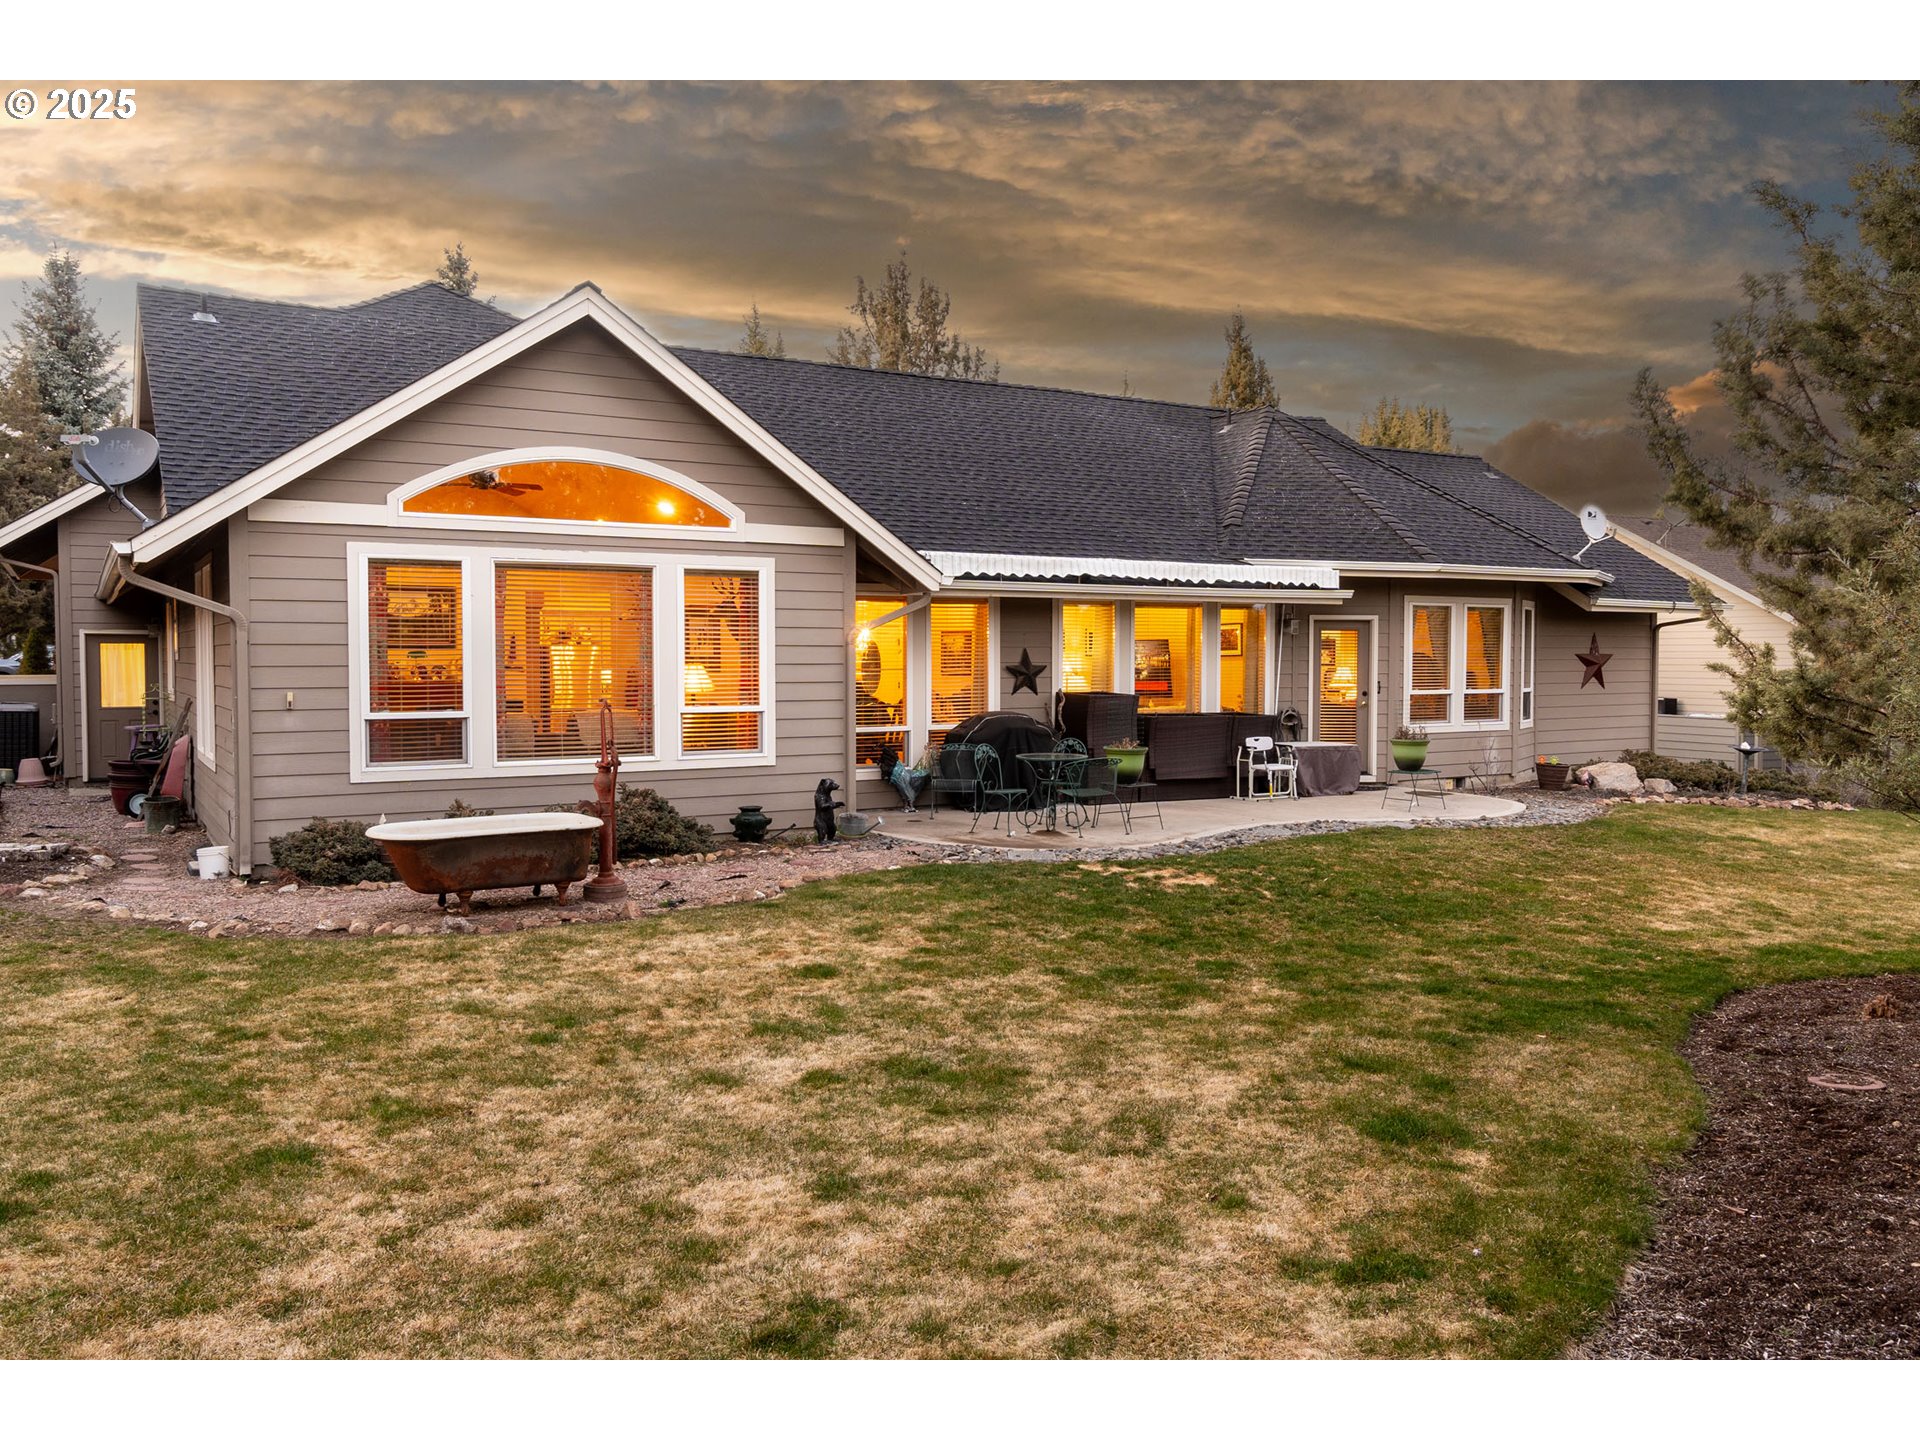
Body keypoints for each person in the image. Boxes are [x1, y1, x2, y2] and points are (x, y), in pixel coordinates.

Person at [875, 743, 927, 811]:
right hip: (900, 775)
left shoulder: (891, 762)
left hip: (899, 775)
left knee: (905, 790)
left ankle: (908, 804)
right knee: (905, 790)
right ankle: (909, 804)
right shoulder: (895, 761)